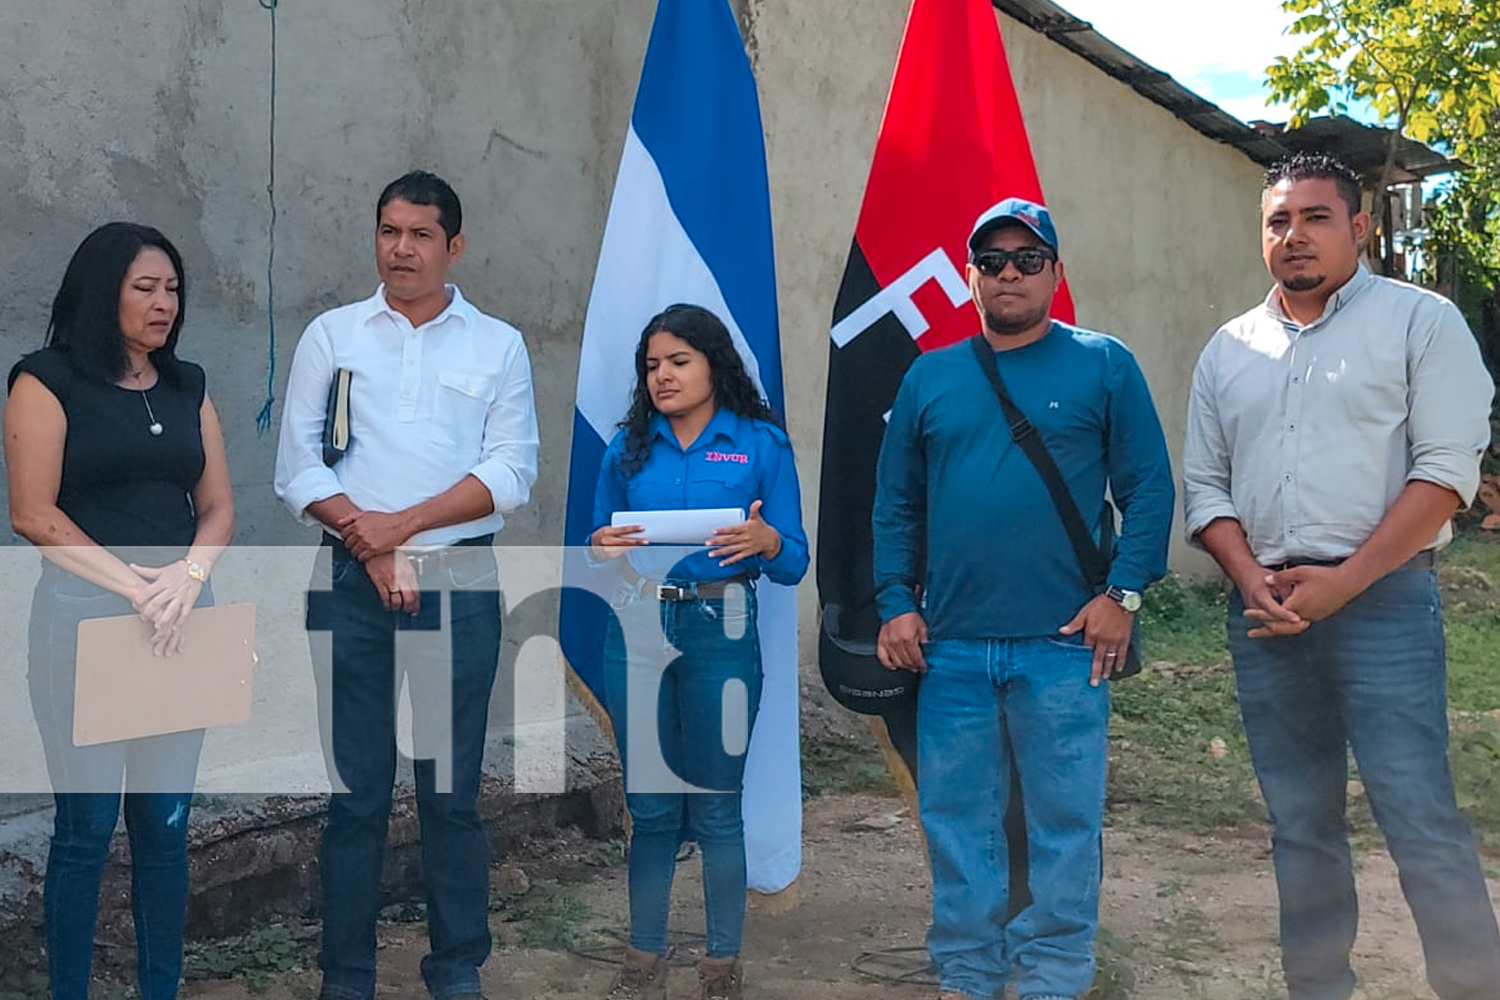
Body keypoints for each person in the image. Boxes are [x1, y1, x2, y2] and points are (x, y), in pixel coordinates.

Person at [1183, 152, 1500, 1000]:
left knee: (1420, 817)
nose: (1295, 236)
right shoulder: (1228, 350)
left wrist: (1346, 582)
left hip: (1383, 607)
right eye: (1279, 221)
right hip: (1265, 612)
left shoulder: (1420, 324)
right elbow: (1206, 488)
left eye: (1316, 217)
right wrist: (1249, 576)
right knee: (1300, 825)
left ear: (1359, 228)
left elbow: (1443, 479)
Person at [873, 198, 1174, 1000]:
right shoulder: (931, 374)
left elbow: (1148, 490)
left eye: (1027, 260)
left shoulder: (1104, 364)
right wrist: (895, 599)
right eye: (993, 261)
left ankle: (1054, 975)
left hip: (1065, 646)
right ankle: (968, 975)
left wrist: (1127, 594)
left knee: (1064, 826)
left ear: (1055, 273)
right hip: (955, 648)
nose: (1010, 273)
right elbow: (896, 502)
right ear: (971, 274)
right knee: (958, 823)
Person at [273, 170, 539, 1000]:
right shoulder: (333, 335)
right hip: (352, 586)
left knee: (450, 792)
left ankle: (456, 966)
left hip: (457, 584)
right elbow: (297, 469)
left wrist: (404, 526)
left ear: (453, 246)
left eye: (420, 234)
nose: (401, 248)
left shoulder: (496, 344)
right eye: (389, 231)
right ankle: (346, 975)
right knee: (354, 795)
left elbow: (511, 471)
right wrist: (372, 541)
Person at [4, 222, 235, 1000]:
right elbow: (33, 514)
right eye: (145, 287)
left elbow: (218, 506)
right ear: (103, 292)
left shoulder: (188, 385)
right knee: (87, 832)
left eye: (172, 289)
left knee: (167, 832)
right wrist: (135, 587)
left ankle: (159, 989)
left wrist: (190, 578)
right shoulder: (46, 380)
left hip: (182, 624)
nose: (164, 303)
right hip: (85, 624)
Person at [587, 304, 808, 1000]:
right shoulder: (626, 447)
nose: (663, 376)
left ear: (715, 364)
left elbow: (795, 560)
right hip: (640, 627)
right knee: (650, 806)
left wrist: (767, 542)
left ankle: (720, 962)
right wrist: (599, 549)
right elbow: (598, 550)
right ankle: (644, 954)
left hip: (724, 624)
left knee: (715, 804)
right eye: (652, 365)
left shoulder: (760, 444)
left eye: (679, 361)